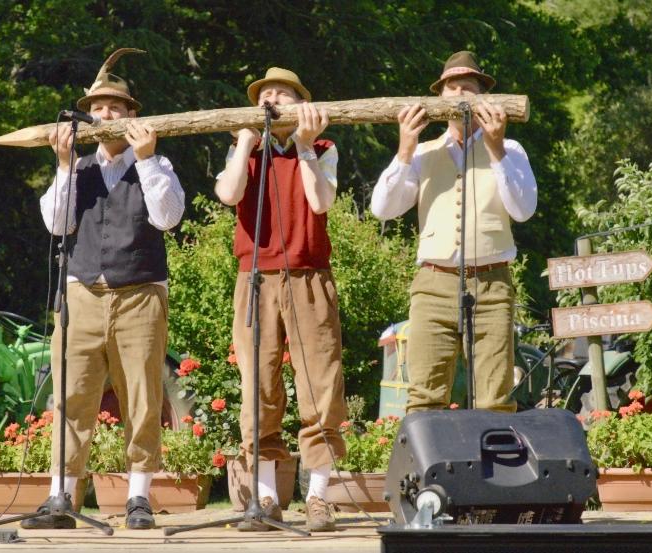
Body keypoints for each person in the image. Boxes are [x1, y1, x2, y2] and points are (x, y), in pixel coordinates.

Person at [27, 48, 185, 530]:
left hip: (139, 294)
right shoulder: (78, 168)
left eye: (115, 107)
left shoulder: (157, 165)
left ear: (133, 115)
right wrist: (61, 165)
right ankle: (62, 497)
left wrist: (147, 158)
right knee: (73, 396)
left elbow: (168, 217)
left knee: (143, 395)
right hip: (81, 294)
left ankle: (137, 497)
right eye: (97, 108)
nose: (105, 115)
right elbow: (57, 224)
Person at [215, 67, 346, 532]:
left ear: (299, 102)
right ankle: (267, 497)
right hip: (254, 277)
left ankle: (317, 496)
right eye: (265, 93)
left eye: (282, 93)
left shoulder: (322, 148)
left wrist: (306, 146)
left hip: (308, 276)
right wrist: (247, 142)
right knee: (259, 386)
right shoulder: (245, 151)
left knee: (320, 383)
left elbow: (320, 203)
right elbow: (229, 194)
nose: (272, 98)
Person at [370, 51, 537, 414]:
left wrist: (495, 150)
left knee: (495, 398)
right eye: (452, 88)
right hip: (433, 284)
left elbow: (523, 210)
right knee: (424, 396)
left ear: (484, 99)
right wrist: (404, 148)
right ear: (439, 99)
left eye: (469, 88)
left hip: (492, 283)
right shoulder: (422, 152)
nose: (460, 95)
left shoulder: (510, 149)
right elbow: (382, 209)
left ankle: (494, 470)